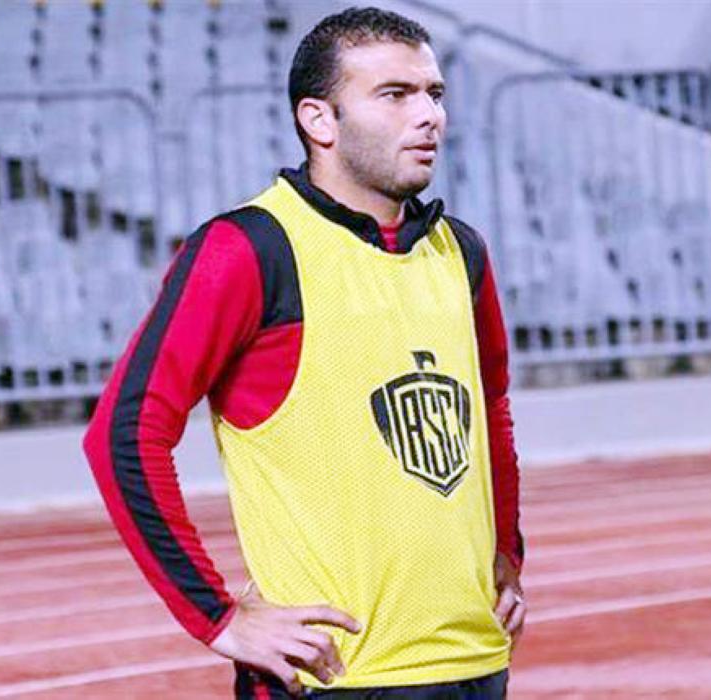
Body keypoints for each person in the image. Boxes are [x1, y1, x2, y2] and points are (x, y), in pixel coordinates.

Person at [82, 7, 526, 698]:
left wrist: (506, 552)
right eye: (395, 95)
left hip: (474, 664)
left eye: (434, 93)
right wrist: (218, 618)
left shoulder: (461, 252)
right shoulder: (250, 249)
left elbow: (488, 410)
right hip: (329, 680)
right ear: (319, 120)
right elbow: (123, 433)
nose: (429, 116)